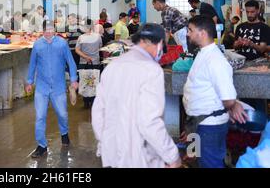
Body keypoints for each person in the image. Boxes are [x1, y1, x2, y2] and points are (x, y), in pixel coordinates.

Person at [92, 23, 181, 168]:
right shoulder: (152, 70)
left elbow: (97, 112)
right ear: (159, 44)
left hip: (112, 154)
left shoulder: (112, 66)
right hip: (139, 155)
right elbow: (150, 121)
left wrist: (105, 142)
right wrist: (172, 155)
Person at [183, 15, 247, 168]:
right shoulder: (203, 53)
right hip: (196, 122)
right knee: (197, 160)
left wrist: (234, 104)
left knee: (210, 163)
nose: (187, 33)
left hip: (209, 126)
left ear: (202, 33)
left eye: (190, 30)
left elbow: (229, 98)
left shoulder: (215, 60)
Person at [26, 21, 78, 158]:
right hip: (42, 87)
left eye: (51, 29)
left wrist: (73, 79)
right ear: (42, 31)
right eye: (46, 30)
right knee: (40, 116)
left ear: (54, 30)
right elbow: (32, 64)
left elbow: (71, 62)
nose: (49, 32)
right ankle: (41, 146)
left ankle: (64, 133)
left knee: (62, 114)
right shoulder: (37, 45)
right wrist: (29, 81)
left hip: (58, 87)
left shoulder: (62, 43)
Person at [75, 19, 103, 108]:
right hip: (95, 62)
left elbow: (77, 50)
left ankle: (86, 102)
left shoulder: (81, 37)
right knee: (94, 82)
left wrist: (85, 57)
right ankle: (94, 101)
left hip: (84, 63)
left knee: (85, 81)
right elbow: (100, 47)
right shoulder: (98, 37)